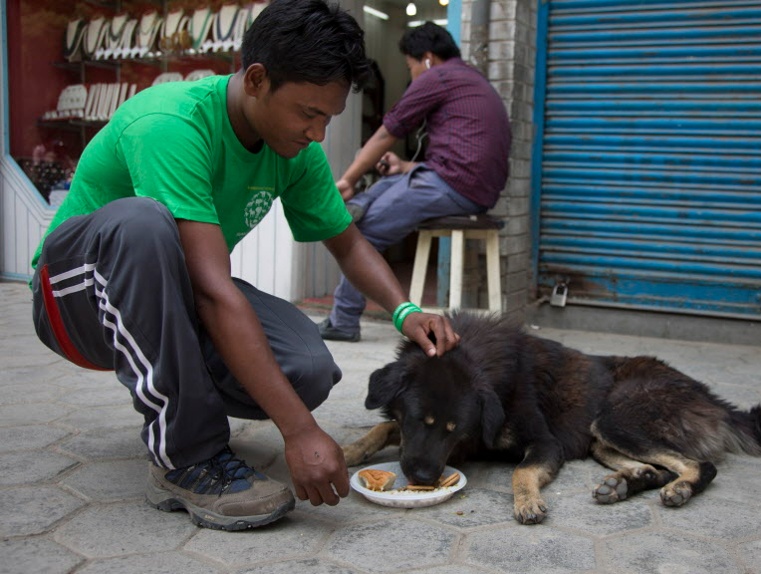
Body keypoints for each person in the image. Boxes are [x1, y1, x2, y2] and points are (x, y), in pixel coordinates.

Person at [29, 0, 459, 532]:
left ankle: (182, 402)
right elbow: (211, 293)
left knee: (306, 367)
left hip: (173, 295)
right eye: (308, 113)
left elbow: (346, 242)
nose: (318, 134)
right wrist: (299, 432)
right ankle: (186, 455)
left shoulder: (294, 150)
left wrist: (405, 312)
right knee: (143, 224)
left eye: (329, 117)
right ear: (256, 79)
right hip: (74, 300)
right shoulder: (172, 122)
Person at [319, 21, 511, 342]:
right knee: (389, 179)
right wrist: (405, 165)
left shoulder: (439, 76)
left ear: (426, 58)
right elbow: (460, 157)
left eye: (410, 67)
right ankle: (359, 205)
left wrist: (348, 179)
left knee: (363, 234)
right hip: (471, 187)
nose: (412, 76)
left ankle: (342, 320)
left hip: (454, 185)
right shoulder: (473, 80)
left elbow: (387, 132)